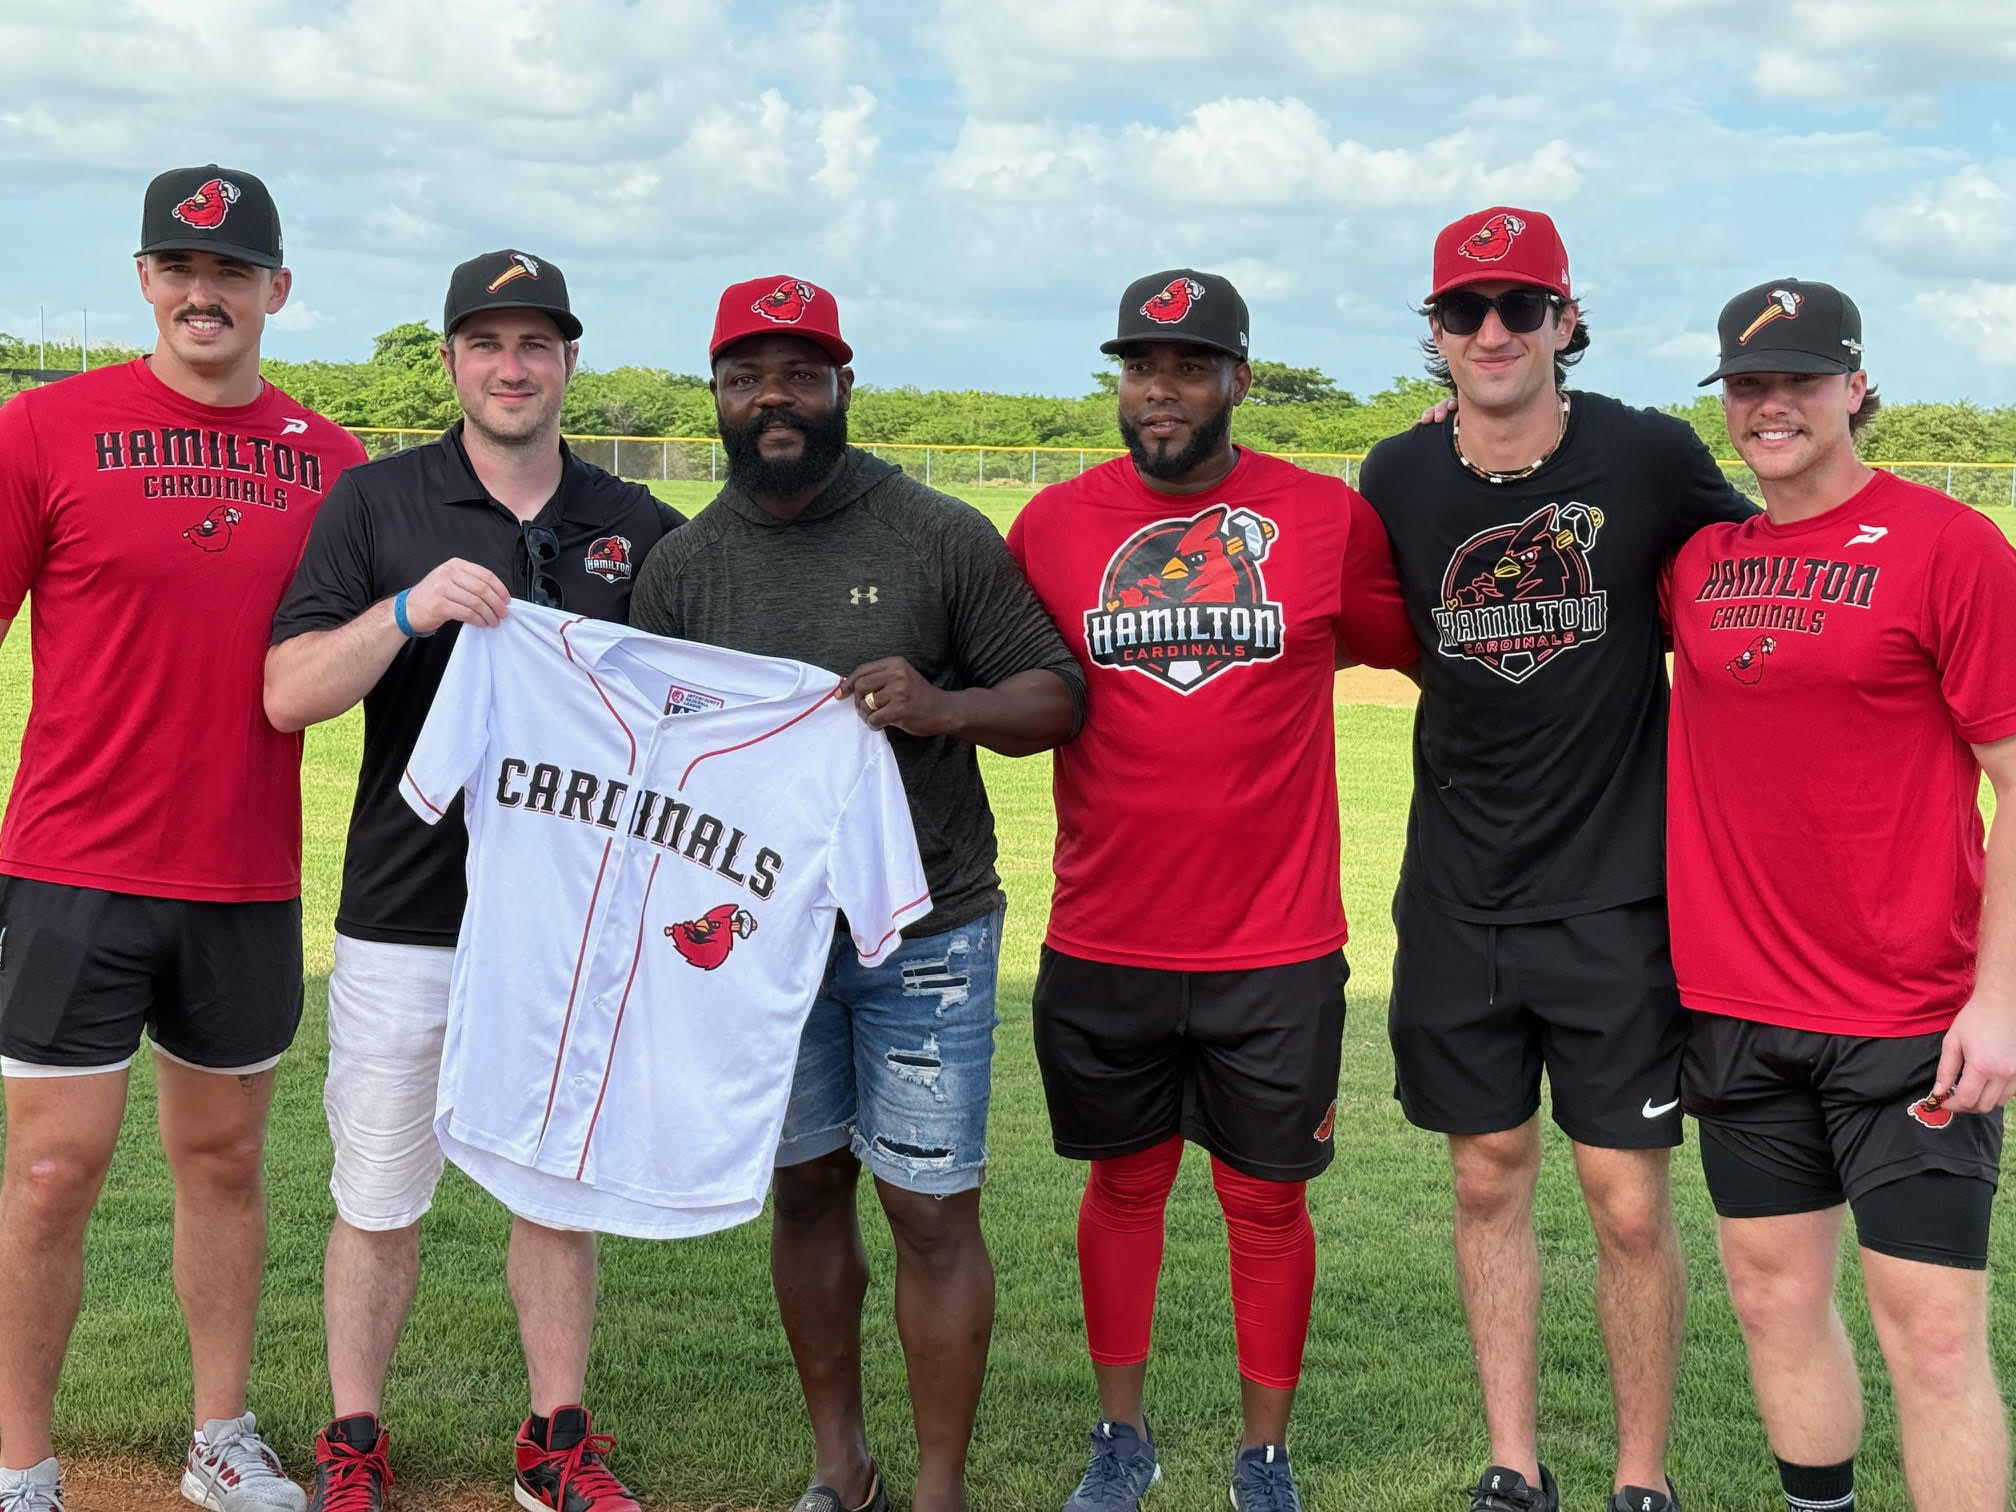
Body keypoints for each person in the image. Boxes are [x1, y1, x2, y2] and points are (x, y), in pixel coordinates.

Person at [627, 274, 1083, 1512]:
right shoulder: (684, 568)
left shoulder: (933, 532)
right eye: (745, 376)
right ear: (715, 395)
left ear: (842, 387)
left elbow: (1054, 695)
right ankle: (843, 1467)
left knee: (929, 1206)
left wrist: (947, 707)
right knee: (805, 1184)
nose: (773, 397)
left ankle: (938, 1489)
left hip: (925, 927)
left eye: (799, 373)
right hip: (763, 938)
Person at [263, 250, 683, 1512]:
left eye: (537, 345)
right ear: (449, 360)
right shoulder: (377, 502)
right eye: (488, 344)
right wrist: (407, 611)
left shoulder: (638, 525)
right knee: (380, 1191)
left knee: (555, 1188)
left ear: (566, 364)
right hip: (408, 908)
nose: (513, 367)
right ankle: (355, 1439)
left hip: (570, 920)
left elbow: (689, 714)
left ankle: (556, 1439)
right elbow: (288, 695)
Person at [1355, 207, 1756, 1512]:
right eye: (1464, 312)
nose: (1491, 332)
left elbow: (1766, 559)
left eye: (1519, 309)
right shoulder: (1397, 478)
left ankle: (1642, 1481)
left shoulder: (1645, 454)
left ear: (1564, 323)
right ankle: (1512, 1465)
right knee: (1486, 1181)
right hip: (1460, 898)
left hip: (1614, 899)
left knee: (1628, 1207)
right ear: (1435, 334)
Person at [1006, 269, 1420, 1512]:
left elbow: (1423, 657)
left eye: (1189, 366)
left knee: (1265, 1200)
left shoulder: (1324, 518)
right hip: (1104, 929)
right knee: (1123, 1185)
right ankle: (1121, 1438)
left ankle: (1262, 1455)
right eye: (1142, 366)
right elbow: (1005, 689)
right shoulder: (1054, 526)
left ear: (1239, 377)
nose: (1162, 390)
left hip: (1275, 940)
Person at [0, 164, 366, 1512]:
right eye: (179, 266)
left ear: (277, 289)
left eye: (232, 271)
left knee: (222, 1162)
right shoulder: (45, 428)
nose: (203, 292)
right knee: (48, 1171)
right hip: (71, 869)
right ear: (147, 279)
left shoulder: (331, 461)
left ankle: (221, 1437)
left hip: (241, 872)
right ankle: (19, 1460)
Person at [1668, 279, 2016, 1512]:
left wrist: (1998, 1001)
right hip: (1736, 1007)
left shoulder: (1950, 544)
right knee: (1772, 1302)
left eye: (1802, 381)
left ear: (1855, 386)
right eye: (1750, 386)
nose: (1773, 406)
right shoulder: (1702, 561)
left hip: (1910, 1016)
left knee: (1930, 1335)